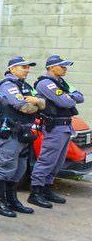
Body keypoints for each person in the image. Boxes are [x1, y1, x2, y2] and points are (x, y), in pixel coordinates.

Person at [28, 55, 85, 208]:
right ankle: (35, 192)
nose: (65, 68)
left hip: (65, 126)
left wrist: (69, 96)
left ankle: (46, 189)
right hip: (55, 126)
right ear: (52, 67)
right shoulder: (46, 83)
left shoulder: (62, 83)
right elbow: (65, 101)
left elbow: (80, 97)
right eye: (62, 66)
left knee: (58, 161)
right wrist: (69, 97)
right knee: (47, 160)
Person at [0, 56, 44, 216]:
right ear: (12, 69)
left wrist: (38, 102)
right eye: (23, 67)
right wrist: (38, 104)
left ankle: (12, 200)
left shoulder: (25, 85)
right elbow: (24, 107)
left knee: (20, 168)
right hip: (12, 132)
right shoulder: (8, 85)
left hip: (25, 133)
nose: (27, 70)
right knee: (6, 167)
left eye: (28, 67)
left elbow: (44, 103)